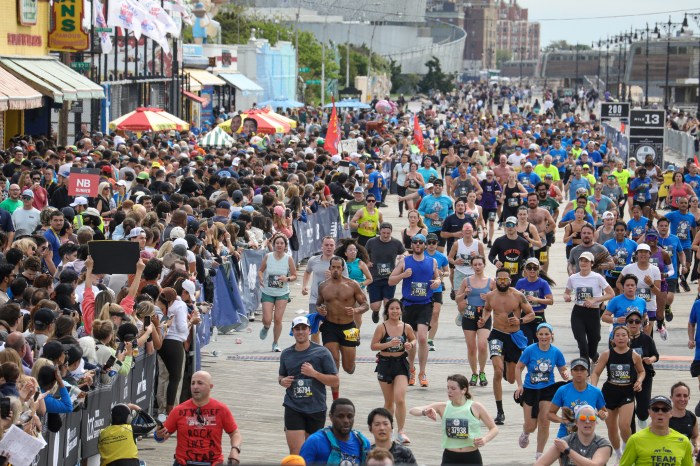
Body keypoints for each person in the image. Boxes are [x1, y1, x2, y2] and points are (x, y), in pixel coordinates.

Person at [279, 316, 339, 455]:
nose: (300, 332)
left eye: (304, 328)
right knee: (296, 452)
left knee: (312, 452)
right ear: (292, 331)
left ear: (310, 330)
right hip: (293, 406)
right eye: (297, 329)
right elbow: (281, 375)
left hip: (316, 408)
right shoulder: (286, 354)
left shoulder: (322, 352)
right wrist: (282, 381)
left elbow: (335, 381)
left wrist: (314, 374)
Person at [482, 267, 535, 425]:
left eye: (505, 279)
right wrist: (483, 319)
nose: (503, 282)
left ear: (509, 280)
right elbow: (486, 310)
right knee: (497, 372)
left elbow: (531, 314)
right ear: (496, 280)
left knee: (511, 379)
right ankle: (500, 412)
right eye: (500, 279)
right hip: (497, 335)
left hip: (514, 337)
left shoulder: (518, 295)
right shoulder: (491, 296)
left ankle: (505, 364)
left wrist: (521, 321)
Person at [409, 374, 499, 466]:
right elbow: (412, 410)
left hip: (471, 457)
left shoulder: (476, 407)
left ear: (464, 390)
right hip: (450, 457)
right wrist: (425, 412)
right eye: (448, 388)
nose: (449, 391)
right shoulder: (442, 406)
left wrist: (484, 439)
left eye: (453, 388)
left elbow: (494, 428)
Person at [388, 233, 442, 388]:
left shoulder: (432, 262)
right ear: (411, 245)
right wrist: (403, 275)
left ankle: (422, 372)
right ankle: (411, 368)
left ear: (425, 245)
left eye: (421, 242)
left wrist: (436, 282)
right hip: (408, 305)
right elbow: (391, 280)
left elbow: (438, 279)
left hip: (425, 304)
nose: (418, 244)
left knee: (423, 339)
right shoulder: (405, 261)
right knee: (411, 340)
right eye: (415, 242)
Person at [156, 371, 242, 466]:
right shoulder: (179, 410)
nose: (195, 386)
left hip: (213, 463)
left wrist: (235, 450)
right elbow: (161, 436)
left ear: (210, 386)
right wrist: (159, 435)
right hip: (183, 463)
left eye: (200, 383)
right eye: (193, 383)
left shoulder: (221, 409)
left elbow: (234, 433)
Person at [591, 326, 645, 463]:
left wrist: (639, 381)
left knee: (624, 425)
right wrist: (593, 389)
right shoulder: (607, 354)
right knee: (612, 427)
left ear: (628, 338)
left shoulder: (634, 355)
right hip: (609, 392)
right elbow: (596, 372)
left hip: (627, 392)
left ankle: (627, 449)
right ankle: (618, 453)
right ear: (613, 339)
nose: (621, 338)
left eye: (623, 335)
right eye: (617, 335)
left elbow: (641, 371)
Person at [514, 323, 568, 460]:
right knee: (531, 426)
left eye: (547, 334)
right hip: (530, 389)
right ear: (537, 335)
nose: (544, 337)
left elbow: (562, 368)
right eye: (541, 334)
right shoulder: (530, 350)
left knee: (544, 421)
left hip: (548, 389)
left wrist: (565, 374)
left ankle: (539, 454)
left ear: (551, 335)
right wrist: (519, 385)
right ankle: (526, 433)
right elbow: (518, 367)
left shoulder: (556, 352)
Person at [317, 256, 369, 399]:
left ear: (343, 269)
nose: (335, 270)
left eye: (338, 268)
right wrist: (320, 309)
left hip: (348, 327)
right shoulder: (323, 286)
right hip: (330, 326)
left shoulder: (352, 285)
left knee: (348, 368)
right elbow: (318, 304)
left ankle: (351, 363)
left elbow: (366, 305)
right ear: (329, 268)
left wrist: (356, 311)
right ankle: (335, 399)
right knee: (333, 360)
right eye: (333, 267)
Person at [370, 299, 416, 445]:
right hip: (385, 364)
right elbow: (373, 346)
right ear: (387, 311)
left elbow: (414, 340)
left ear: (401, 311)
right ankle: (387, 431)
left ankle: (401, 432)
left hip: (401, 364)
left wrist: (410, 344)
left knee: (400, 399)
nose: (395, 311)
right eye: (392, 309)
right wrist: (388, 344)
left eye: (397, 308)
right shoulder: (381, 327)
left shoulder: (406, 327)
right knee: (389, 402)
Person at [564, 251, 615, 365]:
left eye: (586, 261)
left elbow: (611, 294)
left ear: (591, 263)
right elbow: (566, 292)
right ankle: (585, 372)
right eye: (581, 260)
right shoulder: (573, 278)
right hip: (578, 313)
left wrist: (595, 300)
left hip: (593, 313)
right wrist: (567, 297)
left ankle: (595, 355)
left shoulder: (598, 277)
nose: (583, 263)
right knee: (582, 344)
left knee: (594, 343)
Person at [619, 395, 694, 466]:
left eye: (665, 410)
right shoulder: (635, 440)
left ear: (671, 413)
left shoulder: (684, 442)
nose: (660, 413)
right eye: (655, 409)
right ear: (649, 412)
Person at [455, 255, 494, 387]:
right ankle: (474, 373)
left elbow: (497, 300)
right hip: (469, 315)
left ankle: (482, 371)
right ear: (472, 266)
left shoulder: (491, 281)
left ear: (484, 265)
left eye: (480, 264)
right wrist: (465, 293)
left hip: (484, 315)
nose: (477, 267)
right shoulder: (466, 281)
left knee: (482, 345)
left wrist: (488, 298)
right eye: (475, 265)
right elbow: (457, 299)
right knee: (471, 347)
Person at [299, 398, 371, 466]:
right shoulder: (315, 442)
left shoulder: (363, 443)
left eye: (350, 416)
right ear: (331, 416)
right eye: (340, 416)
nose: (346, 421)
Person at [548, 358, 608, 439]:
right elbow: (550, 414)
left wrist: (603, 415)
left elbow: (604, 412)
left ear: (587, 372)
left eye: (582, 369)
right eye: (576, 370)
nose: (579, 372)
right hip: (565, 435)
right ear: (571, 372)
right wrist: (562, 420)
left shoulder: (595, 392)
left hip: (587, 436)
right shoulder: (563, 390)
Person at [535, 404, 612, 466]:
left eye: (592, 418)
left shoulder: (603, 444)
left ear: (596, 422)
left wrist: (567, 451)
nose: (587, 421)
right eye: (582, 418)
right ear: (576, 422)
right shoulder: (565, 442)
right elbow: (540, 463)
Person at [259, 234, 297, 352]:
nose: (279, 245)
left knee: (278, 319)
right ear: (274, 245)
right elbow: (261, 270)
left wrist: (287, 279)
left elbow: (294, 275)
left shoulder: (288, 258)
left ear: (285, 245)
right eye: (277, 243)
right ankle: (266, 327)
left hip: (282, 292)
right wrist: (260, 278)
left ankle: (275, 343)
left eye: (282, 243)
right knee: (267, 319)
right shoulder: (268, 256)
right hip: (268, 291)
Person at [366, 223, 405, 324]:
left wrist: (402, 256)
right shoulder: (371, 242)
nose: (386, 235)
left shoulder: (396, 243)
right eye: (383, 233)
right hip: (374, 277)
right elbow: (363, 254)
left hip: (389, 279)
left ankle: (387, 327)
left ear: (391, 232)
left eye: (388, 233)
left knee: (388, 305)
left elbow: (404, 252)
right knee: (375, 306)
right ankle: (375, 312)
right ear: (380, 232)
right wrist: (367, 262)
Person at [627, 310, 659, 431]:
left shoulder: (647, 339)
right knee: (628, 408)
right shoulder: (621, 338)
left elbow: (656, 355)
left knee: (643, 409)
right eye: (631, 321)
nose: (633, 324)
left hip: (645, 377)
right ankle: (631, 437)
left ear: (641, 323)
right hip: (627, 377)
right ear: (626, 323)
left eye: (637, 321)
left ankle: (642, 416)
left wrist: (650, 360)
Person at [515, 258, 555, 345]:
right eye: (529, 267)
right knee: (527, 344)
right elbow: (514, 301)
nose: (532, 270)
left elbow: (551, 301)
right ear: (525, 269)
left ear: (538, 269)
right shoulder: (520, 282)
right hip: (525, 316)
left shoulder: (543, 283)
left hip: (538, 316)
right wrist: (519, 296)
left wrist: (536, 299)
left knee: (540, 344)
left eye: (535, 267)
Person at [424, 232, 449, 351]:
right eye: (429, 242)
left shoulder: (441, 257)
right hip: (423, 287)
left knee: (436, 313)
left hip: (437, 287)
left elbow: (447, 271)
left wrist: (442, 273)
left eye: (433, 243)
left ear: (437, 243)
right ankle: (422, 337)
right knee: (424, 313)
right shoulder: (421, 254)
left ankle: (430, 340)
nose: (431, 245)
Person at [488, 216, 532, 282]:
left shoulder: (524, 242)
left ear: (517, 226)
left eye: (512, 225)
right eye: (508, 225)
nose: (510, 227)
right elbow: (491, 256)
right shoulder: (499, 241)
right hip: (503, 275)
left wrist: (524, 262)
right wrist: (495, 262)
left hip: (518, 275)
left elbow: (528, 255)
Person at [668, 381, 699, 455]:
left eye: (685, 396)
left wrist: (697, 445)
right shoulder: (663, 416)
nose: (682, 399)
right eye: (678, 395)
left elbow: (695, 436)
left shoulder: (691, 417)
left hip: (685, 457)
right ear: (671, 397)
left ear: (689, 398)